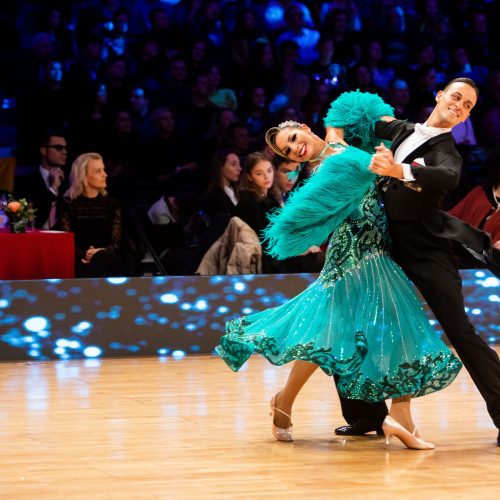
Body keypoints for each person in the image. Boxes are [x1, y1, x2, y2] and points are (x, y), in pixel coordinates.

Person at [216, 94, 462, 449]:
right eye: (288, 151)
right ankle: (389, 415)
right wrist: (334, 137)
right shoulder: (322, 170)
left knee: (352, 330)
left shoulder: (342, 142)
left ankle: (387, 416)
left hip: (379, 245)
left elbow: (354, 111)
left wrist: (341, 128)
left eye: (295, 139)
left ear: (304, 129)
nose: (296, 149)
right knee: (358, 328)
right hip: (355, 251)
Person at [327, 79, 500, 447]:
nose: (459, 105)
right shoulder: (403, 129)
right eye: (456, 96)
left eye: (467, 105)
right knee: (350, 318)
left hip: (427, 250)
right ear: (439, 95)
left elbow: (448, 177)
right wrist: (333, 138)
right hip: (384, 243)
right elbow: (350, 109)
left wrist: (398, 171)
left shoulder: (447, 151)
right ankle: (365, 415)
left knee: (459, 330)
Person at [56, 152, 135, 278]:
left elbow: (116, 243)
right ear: (84, 176)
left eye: (103, 170)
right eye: (99, 171)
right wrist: (89, 254)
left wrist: (98, 253)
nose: (105, 174)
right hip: (79, 259)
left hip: (110, 258)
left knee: (103, 258)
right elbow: (65, 243)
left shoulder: (113, 204)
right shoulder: (68, 204)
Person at [15, 130, 67, 229]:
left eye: (65, 148)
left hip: (64, 238)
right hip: (35, 236)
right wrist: (53, 188)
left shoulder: (70, 180)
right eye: (58, 148)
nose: (64, 152)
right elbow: (23, 218)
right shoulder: (25, 181)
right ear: (43, 151)